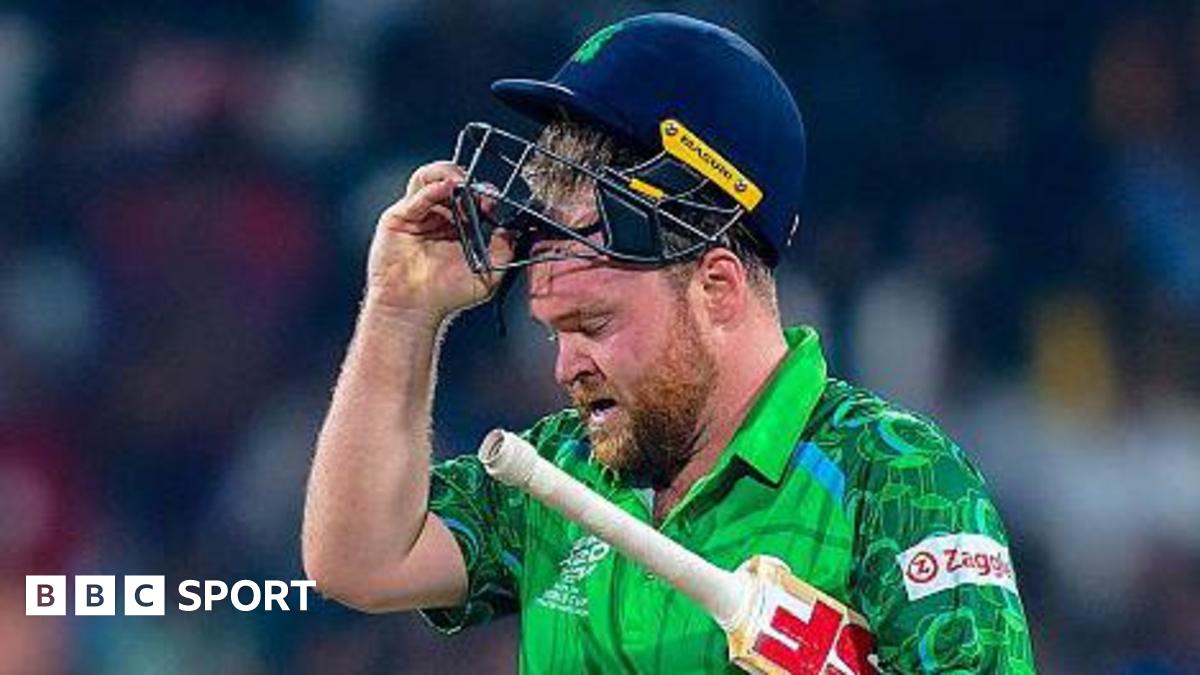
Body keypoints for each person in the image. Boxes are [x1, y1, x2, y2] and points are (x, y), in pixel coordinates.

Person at [302, 13, 1036, 673]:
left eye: (593, 326)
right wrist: (402, 312)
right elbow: (359, 560)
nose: (564, 368)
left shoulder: (896, 477)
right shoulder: (561, 470)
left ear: (717, 288)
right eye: (554, 331)